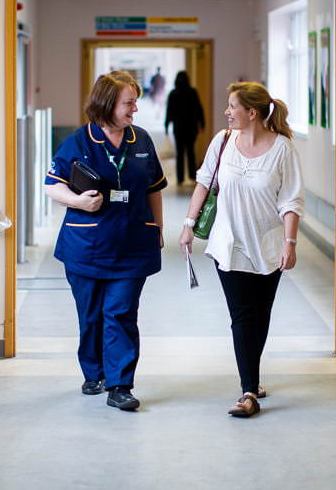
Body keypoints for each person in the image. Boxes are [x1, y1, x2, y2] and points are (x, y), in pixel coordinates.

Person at [179, 82, 304, 418]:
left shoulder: (283, 149)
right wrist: (189, 225)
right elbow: (205, 181)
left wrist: (290, 244)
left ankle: (253, 375)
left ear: (252, 112)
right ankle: (249, 391)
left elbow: (291, 200)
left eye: (232, 106)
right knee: (242, 316)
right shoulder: (222, 141)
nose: (226, 112)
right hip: (228, 242)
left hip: (268, 245)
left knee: (260, 314)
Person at [45, 71, 167, 411]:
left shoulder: (141, 140)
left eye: (135, 102)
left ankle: (120, 385)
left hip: (132, 242)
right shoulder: (78, 141)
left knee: (121, 312)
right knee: (92, 315)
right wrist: (80, 202)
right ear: (108, 104)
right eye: (129, 103)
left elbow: (154, 187)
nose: (135, 110)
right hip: (86, 245)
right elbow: (51, 185)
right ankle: (94, 372)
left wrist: (157, 227)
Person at [165, 71, 205, 185]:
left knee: (180, 152)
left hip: (178, 127)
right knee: (191, 151)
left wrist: (166, 125)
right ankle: (192, 176)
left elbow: (169, 111)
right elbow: (199, 109)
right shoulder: (192, 92)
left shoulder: (173, 93)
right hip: (191, 127)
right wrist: (202, 124)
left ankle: (180, 178)